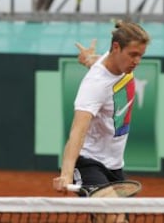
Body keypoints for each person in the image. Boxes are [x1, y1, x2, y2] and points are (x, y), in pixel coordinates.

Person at [53, 20, 150, 195]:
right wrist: (66, 175)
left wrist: (88, 59)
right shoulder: (94, 84)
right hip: (88, 163)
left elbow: (102, 64)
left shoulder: (120, 63)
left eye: (141, 55)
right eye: (133, 54)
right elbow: (77, 131)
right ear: (116, 47)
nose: (137, 61)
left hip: (115, 165)